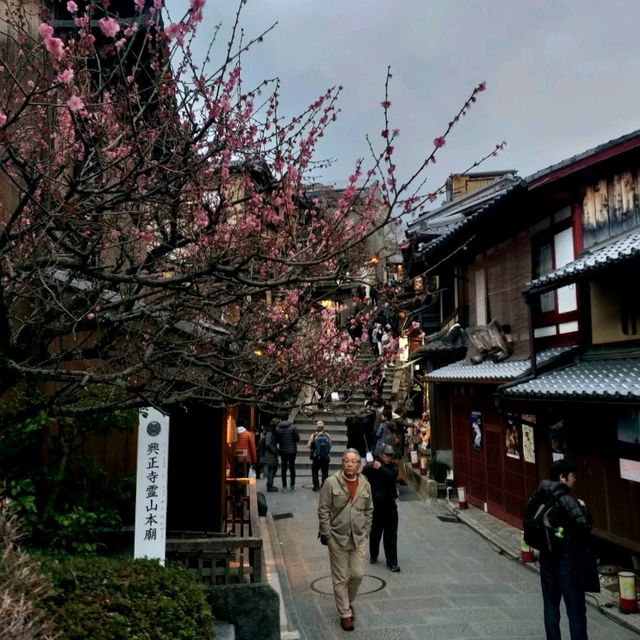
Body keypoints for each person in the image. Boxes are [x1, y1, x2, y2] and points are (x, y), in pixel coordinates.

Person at [530, 459, 592, 640]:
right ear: (562, 477)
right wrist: (583, 508)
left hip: (546, 557)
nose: (575, 479)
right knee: (576, 608)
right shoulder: (567, 499)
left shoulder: (539, 495)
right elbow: (585, 526)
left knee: (550, 605)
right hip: (566, 558)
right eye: (572, 476)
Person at [318, 449, 373, 632]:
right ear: (342, 463)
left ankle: (347, 602)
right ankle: (345, 614)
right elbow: (323, 509)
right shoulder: (331, 482)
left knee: (357, 575)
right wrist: (327, 534)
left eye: (354, 461)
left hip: (358, 536)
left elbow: (369, 509)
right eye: (346, 461)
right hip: (337, 537)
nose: (350, 464)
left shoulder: (365, 484)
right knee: (340, 578)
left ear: (359, 465)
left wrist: (366, 530)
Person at [362, 444, 400, 572]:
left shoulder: (393, 467)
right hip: (377, 505)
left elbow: (391, 475)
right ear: (381, 454)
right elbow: (363, 472)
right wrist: (371, 463)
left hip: (390, 504)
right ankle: (373, 554)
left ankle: (392, 562)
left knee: (391, 534)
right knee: (375, 533)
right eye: (387, 455)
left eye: (391, 455)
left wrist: (381, 467)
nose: (389, 457)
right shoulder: (374, 465)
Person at [276, 416, 300, 492]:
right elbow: (297, 438)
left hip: (283, 451)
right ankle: (292, 486)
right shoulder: (293, 427)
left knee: (284, 468)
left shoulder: (278, 428)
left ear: (281, 419)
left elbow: (277, 439)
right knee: (292, 468)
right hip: (292, 450)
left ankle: (284, 486)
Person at [308, 420, 332, 491]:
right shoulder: (327, 435)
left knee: (315, 471)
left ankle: (316, 486)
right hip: (325, 457)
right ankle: (324, 486)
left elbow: (309, 445)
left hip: (316, 457)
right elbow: (330, 445)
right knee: (325, 472)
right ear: (323, 427)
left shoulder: (314, 435)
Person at [262, 419, 280, 492]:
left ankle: (270, 484)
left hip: (271, 453)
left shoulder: (272, 432)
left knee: (273, 469)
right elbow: (268, 444)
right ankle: (269, 485)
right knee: (271, 469)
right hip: (270, 454)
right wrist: (275, 450)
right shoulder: (270, 433)